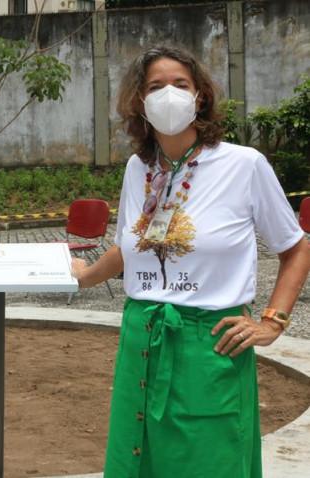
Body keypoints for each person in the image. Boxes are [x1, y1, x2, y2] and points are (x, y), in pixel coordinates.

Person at [72, 46, 310, 477]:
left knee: (210, 460)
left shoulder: (244, 164)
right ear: (140, 102)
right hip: (142, 338)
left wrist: (273, 321)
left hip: (211, 343)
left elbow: (296, 248)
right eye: (155, 87)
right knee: (137, 460)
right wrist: (83, 277)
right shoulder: (137, 168)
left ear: (200, 96)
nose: (168, 95)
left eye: (180, 85)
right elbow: (130, 246)